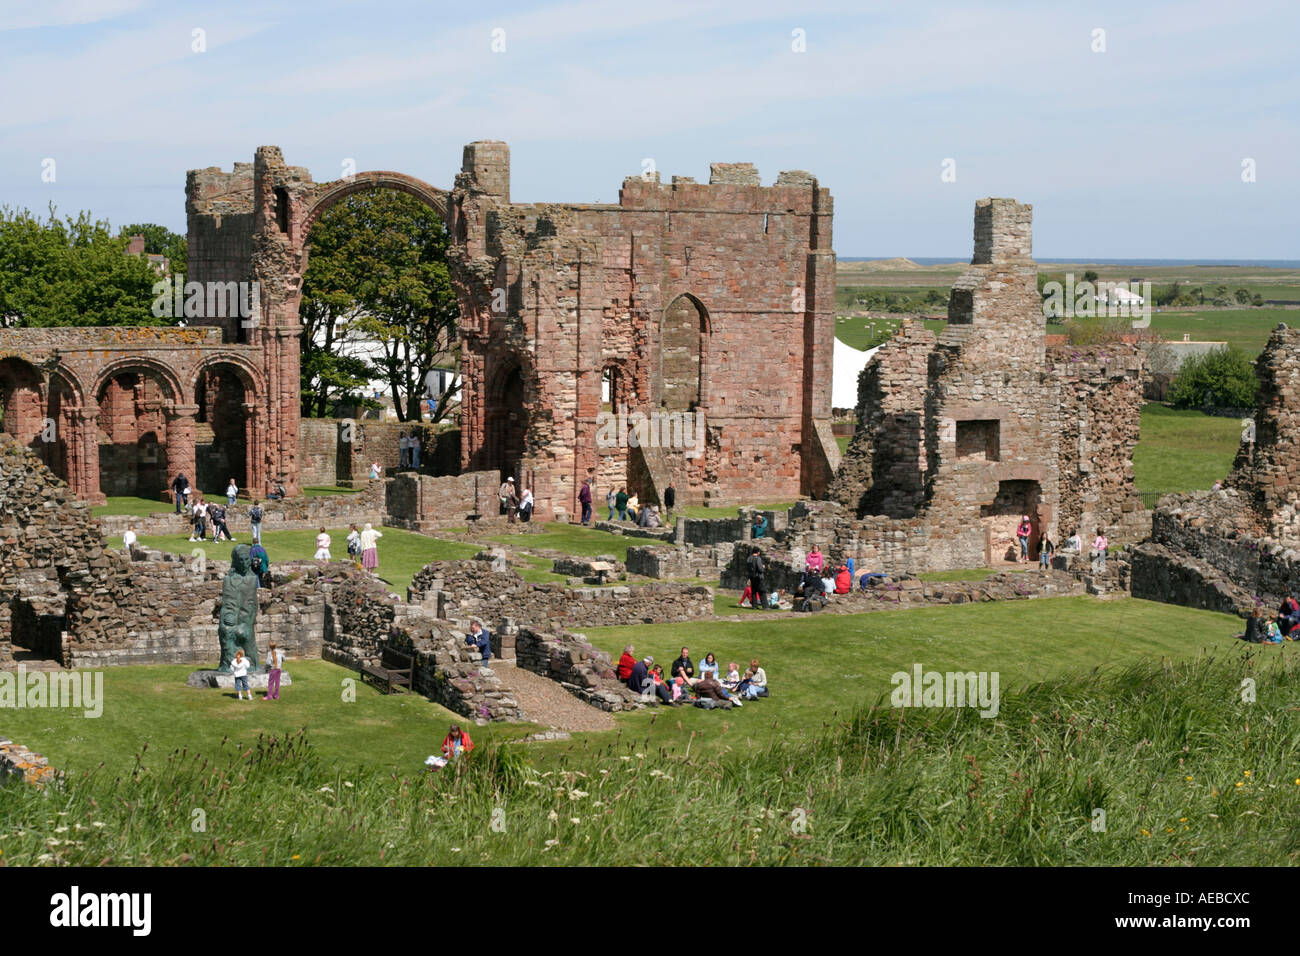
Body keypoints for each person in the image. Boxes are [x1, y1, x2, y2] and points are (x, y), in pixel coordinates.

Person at [746, 547, 768, 611]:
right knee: (762, 591)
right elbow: (760, 569)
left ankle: (754, 606)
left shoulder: (748, 558)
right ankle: (765, 607)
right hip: (758, 577)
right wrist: (763, 567)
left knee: (754, 592)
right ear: (758, 552)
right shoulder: (758, 558)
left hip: (752, 577)